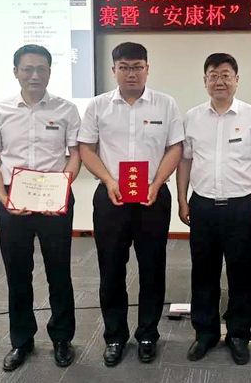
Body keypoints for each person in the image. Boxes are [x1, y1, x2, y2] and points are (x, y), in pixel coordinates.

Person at [78, 42, 184, 367]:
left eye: (137, 67)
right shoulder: (98, 106)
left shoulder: (165, 104)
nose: (131, 73)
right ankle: (115, 336)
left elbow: (175, 148)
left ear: (147, 69)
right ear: (114, 70)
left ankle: (148, 334)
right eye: (124, 67)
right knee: (111, 268)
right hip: (111, 197)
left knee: (152, 268)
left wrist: (156, 183)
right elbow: (86, 149)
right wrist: (109, 180)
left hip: (153, 196)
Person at [0, 44, 81, 371]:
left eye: (41, 69)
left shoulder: (66, 110)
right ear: (16, 72)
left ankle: (62, 338)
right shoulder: (0, 111)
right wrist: (3, 196)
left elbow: (75, 155)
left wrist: (62, 187)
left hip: (55, 198)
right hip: (13, 199)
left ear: (50, 72)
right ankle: (21, 340)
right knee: (17, 272)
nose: (34, 75)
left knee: (59, 271)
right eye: (27, 69)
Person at [177, 53, 251, 365]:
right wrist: (182, 199)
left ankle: (238, 334)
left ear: (236, 79)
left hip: (242, 206)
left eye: (225, 75)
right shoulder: (192, 117)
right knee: (203, 273)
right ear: (204, 80)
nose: (219, 81)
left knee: (241, 274)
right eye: (213, 75)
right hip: (203, 205)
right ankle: (205, 333)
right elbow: (185, 161)